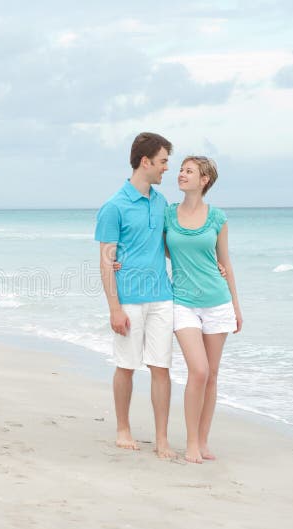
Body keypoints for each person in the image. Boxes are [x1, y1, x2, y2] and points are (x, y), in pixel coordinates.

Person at [95, 132, 176, 459]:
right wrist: (114, 308)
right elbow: (105, 261)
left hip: (162, 298)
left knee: (161, 367)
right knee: (126, 365)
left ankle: (161, 438)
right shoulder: (114, 206)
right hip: (128, 299)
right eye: (163, 162)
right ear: (146, 162)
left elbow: (169, 249)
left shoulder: (161, 203)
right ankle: (123, 429)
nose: (166, 169)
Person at [165, 156, 242, 463]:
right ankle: (192, 442)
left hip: (217, 301)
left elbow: (225, 262)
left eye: (189, 171)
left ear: (204, 180)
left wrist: (236, 305)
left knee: (211, 375)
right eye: (181, 170)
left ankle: (204, 440)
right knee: (198, 370)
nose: (181, 175)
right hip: (182, 301)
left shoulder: (217, 218)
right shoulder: (168, 215)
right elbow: (158, 250)